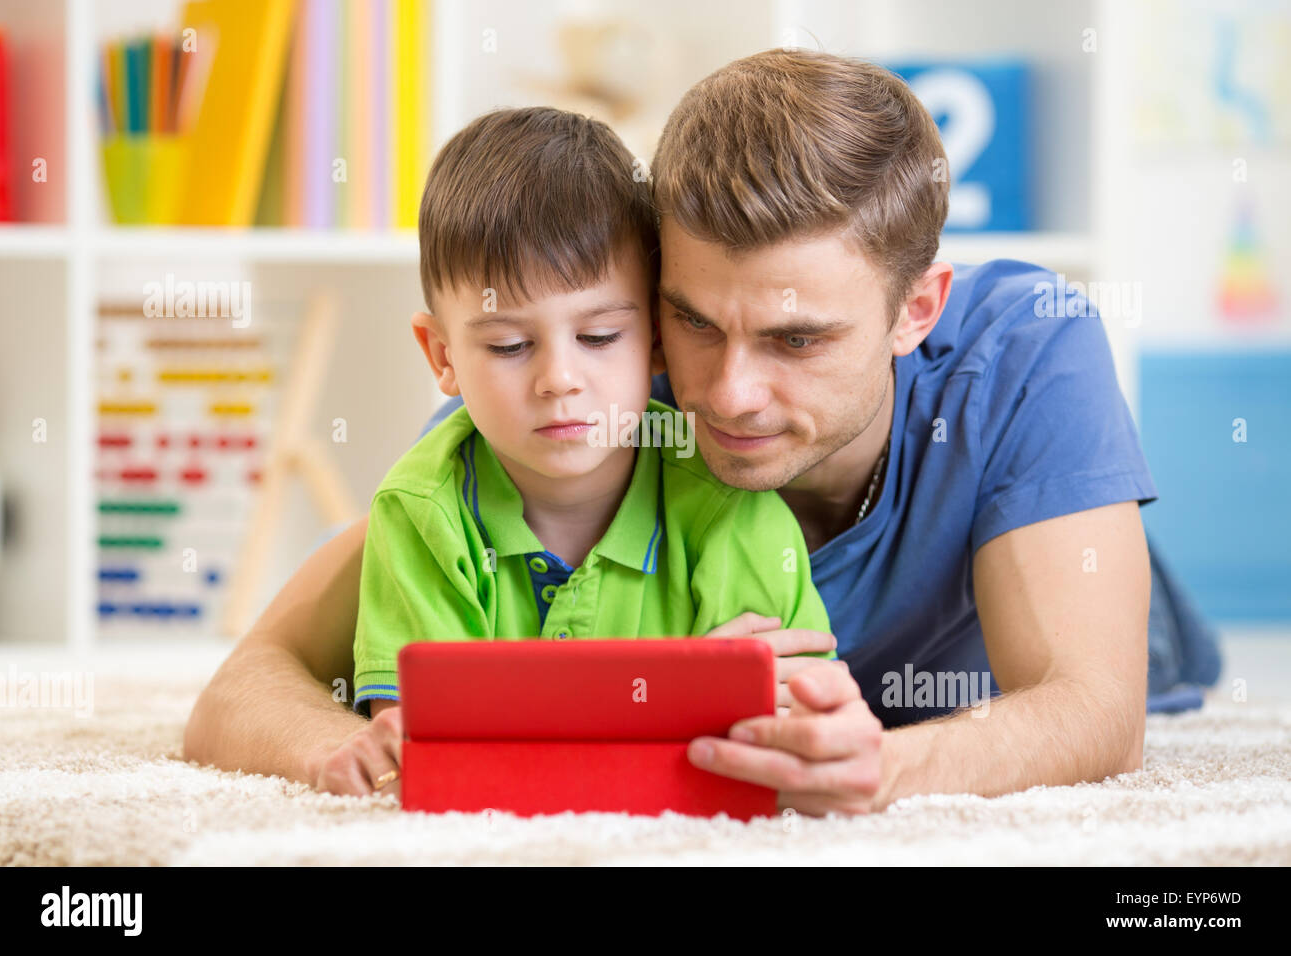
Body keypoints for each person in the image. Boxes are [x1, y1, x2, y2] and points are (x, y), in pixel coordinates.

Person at [185, 49, 1218, 815]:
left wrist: (889, 763)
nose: (726, 393)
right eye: (690, 319)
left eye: (796, 337)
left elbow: (1094, 707)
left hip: (1071, 590)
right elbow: (253, 678)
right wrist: (356, 748)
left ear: (916, 308)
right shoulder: (583, 392)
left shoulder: (1026, 350)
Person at [352, 106, 831, 737]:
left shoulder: (727, 501)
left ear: (657, 340)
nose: (560, 379)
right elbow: (430, 741)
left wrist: (524, 705)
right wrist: (672, 692)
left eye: (600, 335)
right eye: (508, 347)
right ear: (444, 358)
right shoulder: (423, 510)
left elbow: (788, 728)